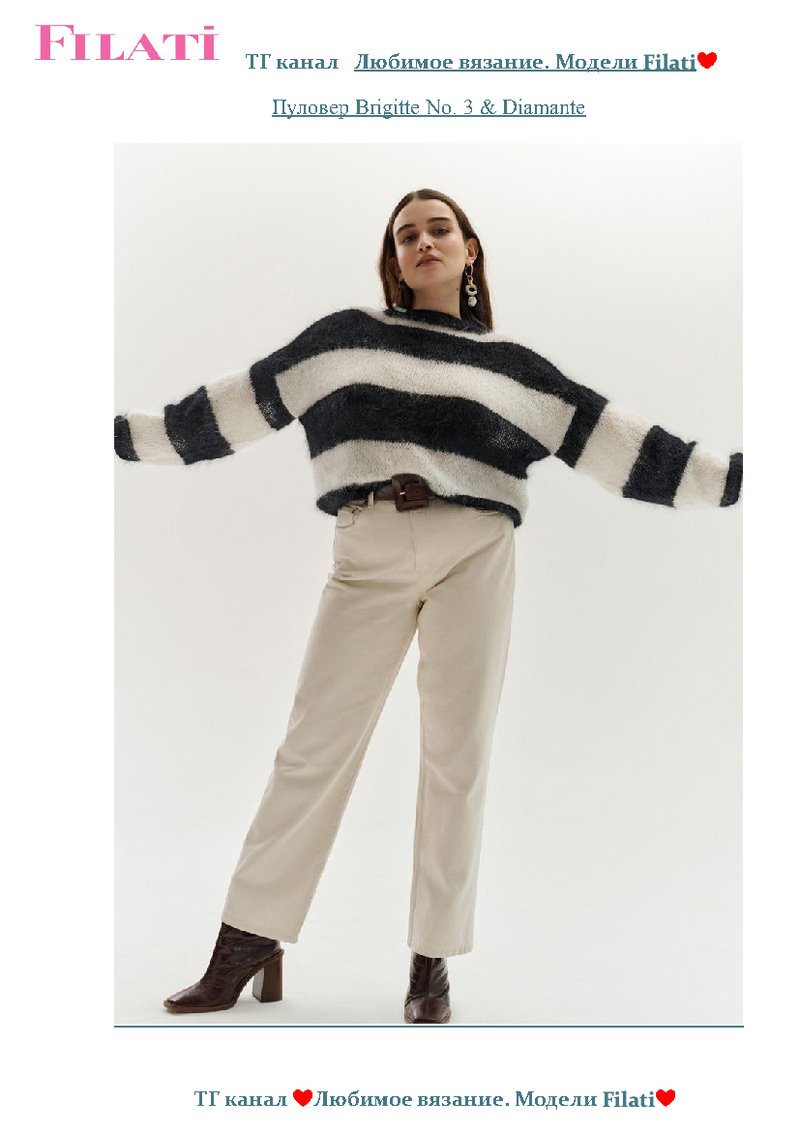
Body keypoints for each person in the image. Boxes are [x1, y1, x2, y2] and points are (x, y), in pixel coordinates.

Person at [115, 188, 743, 1024]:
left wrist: (735, 479)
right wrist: (119, 433)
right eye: (406, 234)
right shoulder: (343, 339)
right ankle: (247, 940)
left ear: (469, 249)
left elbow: (618, 443)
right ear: (394, 259)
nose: (424, 241)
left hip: (475, 553)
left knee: (457, 757)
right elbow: (236, 404)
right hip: (367, 549)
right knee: (311, 749)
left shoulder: (515, 368)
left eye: (439, 228)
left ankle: (430, 959)